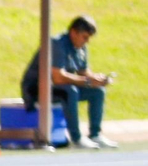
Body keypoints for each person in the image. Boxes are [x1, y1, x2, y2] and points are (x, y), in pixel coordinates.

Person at [21, 15, 118, 149]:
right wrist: (88, 81)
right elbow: (58, 77)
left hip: (58, 88)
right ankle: (76, 138)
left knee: (97, 91)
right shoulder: (56, 43)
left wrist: (98, 80)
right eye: (85, 37)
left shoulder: (80, 47)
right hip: (36, 89)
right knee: (69, 91)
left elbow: (84, 72)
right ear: (73, 32)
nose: (87, 41)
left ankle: (95, 134)